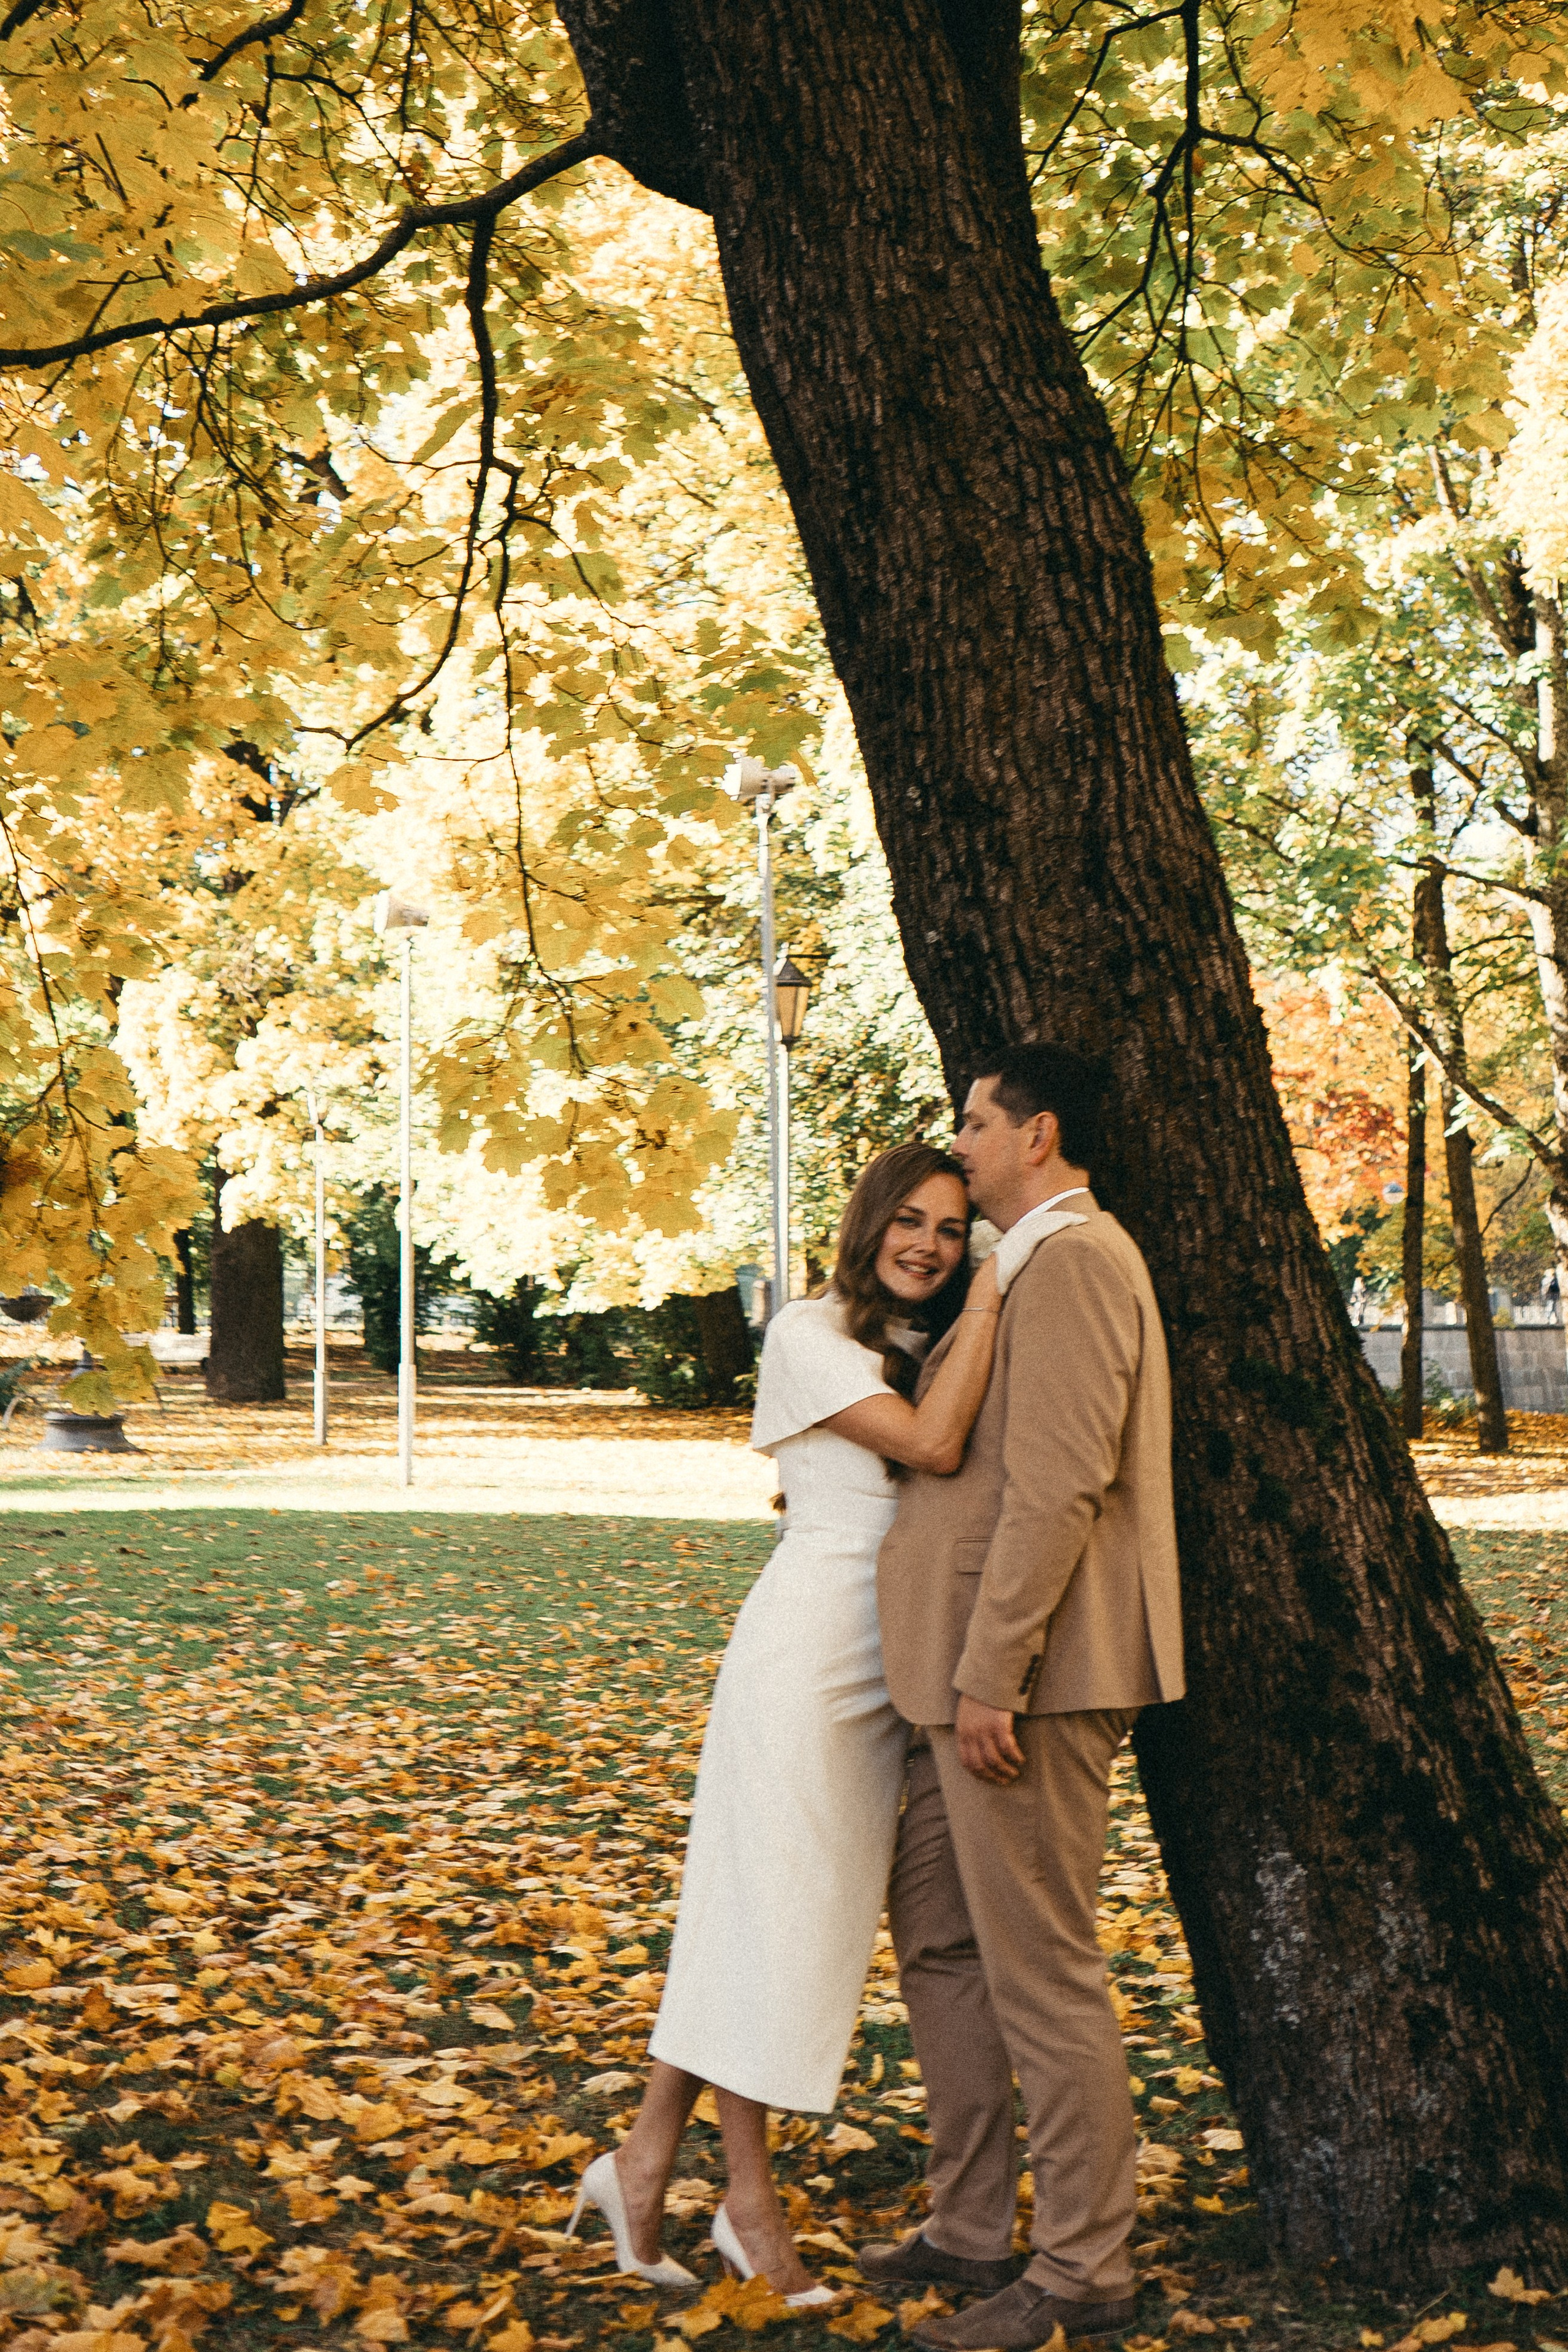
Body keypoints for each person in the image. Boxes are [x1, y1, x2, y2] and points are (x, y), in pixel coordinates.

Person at [567, 1142, 1005, 2301]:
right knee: (775, 1925)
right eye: (910, 1221)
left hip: (890, 1663)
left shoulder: (917, 1343)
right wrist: (1006, 1278)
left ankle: (644, 2162)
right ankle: (749, 2211)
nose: (930, 1245)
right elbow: (934, 1448)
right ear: (866, 1226)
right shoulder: (808, 1335)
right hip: (808, 1656)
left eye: (956, 1231)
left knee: (773, 1924)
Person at [861, 1045, 1184, 2351]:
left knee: (1042, 1975)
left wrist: (993, 1672)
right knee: (942, 1950)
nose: (963, 1145)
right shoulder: (1022, 1265)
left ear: (1036, 1135)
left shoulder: (1080, 1261)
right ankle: (969, 2225)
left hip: (1024, 1687)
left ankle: (1080, 2273)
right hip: (952, 1680)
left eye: (975, 1126)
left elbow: (1060, 1486)